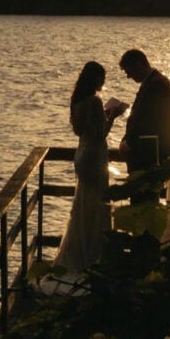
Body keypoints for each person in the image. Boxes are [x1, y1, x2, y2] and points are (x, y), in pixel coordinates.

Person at [54, 60, 123, 275]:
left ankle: (79, 252)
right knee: (97, 207)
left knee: (83, 206)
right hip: (94, 157)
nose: (104, 82)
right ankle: (94, 256)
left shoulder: (76, 101)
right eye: (102, 78)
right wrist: (112, 116)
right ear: (95, 79)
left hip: (81, 154)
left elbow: (80, 131)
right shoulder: (93, 101)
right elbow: (99, 133)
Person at [118, 49, 170, 172]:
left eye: (129, 71)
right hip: (147, 155)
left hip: (149, 157)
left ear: (138, 65)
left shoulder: (157, 85)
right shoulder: (153, 83)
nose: (128, 76)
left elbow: (148, 122)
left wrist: (129, 143)